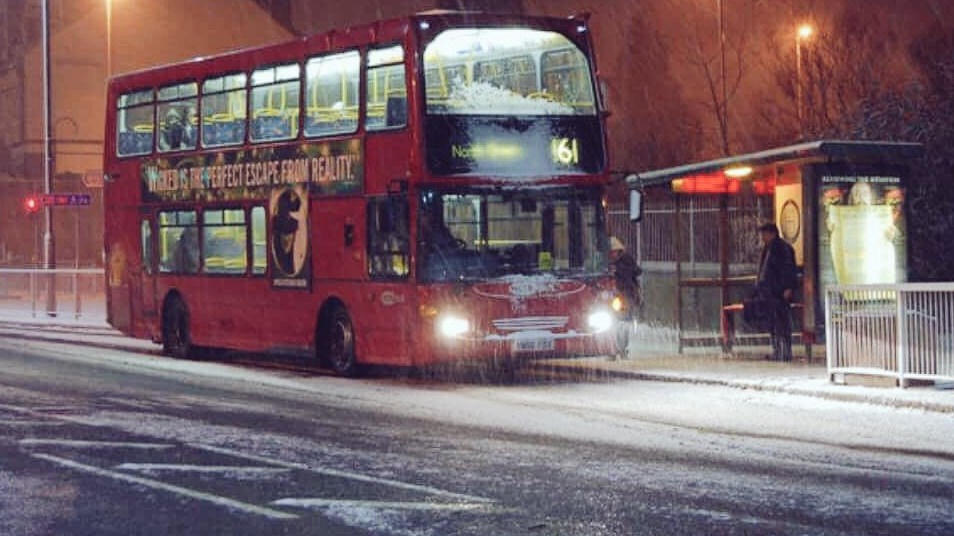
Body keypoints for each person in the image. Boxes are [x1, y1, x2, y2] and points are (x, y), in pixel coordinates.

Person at [756, 222, 798, 361]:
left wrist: (788, 287)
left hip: (778, 291)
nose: (762, 237)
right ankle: (778, 351)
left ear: (772, 233)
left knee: (781, 322)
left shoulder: (781, 248)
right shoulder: (769, 248)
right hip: (770, 291)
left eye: (764, 234)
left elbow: (789, 269)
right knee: (774, 323)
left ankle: (784, 352)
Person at [609, 236, 641, 359]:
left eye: (614, 251)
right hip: (617, 296)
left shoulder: (623, 262)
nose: (612, 254)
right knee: (614, 324)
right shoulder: (620, 262)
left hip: (625, 296)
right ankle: (614, 349)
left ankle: (621, 349)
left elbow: (632, 276)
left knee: (622, 324)